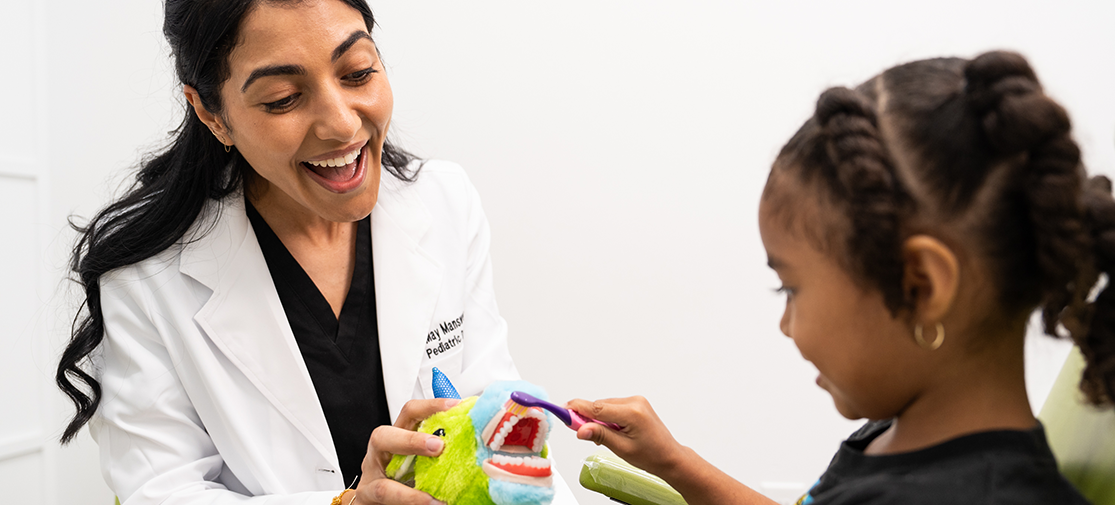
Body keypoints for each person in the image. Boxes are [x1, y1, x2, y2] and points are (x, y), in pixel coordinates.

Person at [54, 1, 576, 504]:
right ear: (212, 114)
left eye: (357, 72)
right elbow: (161, 493)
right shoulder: (147, 277)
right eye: (283, 98)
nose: (343, 125)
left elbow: (499, 426)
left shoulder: (445, 202)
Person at [569, 51, 1115, 504]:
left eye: (791, 288)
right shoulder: (900, 435)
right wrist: (675, 462)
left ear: (922, 287)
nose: (786, 325)